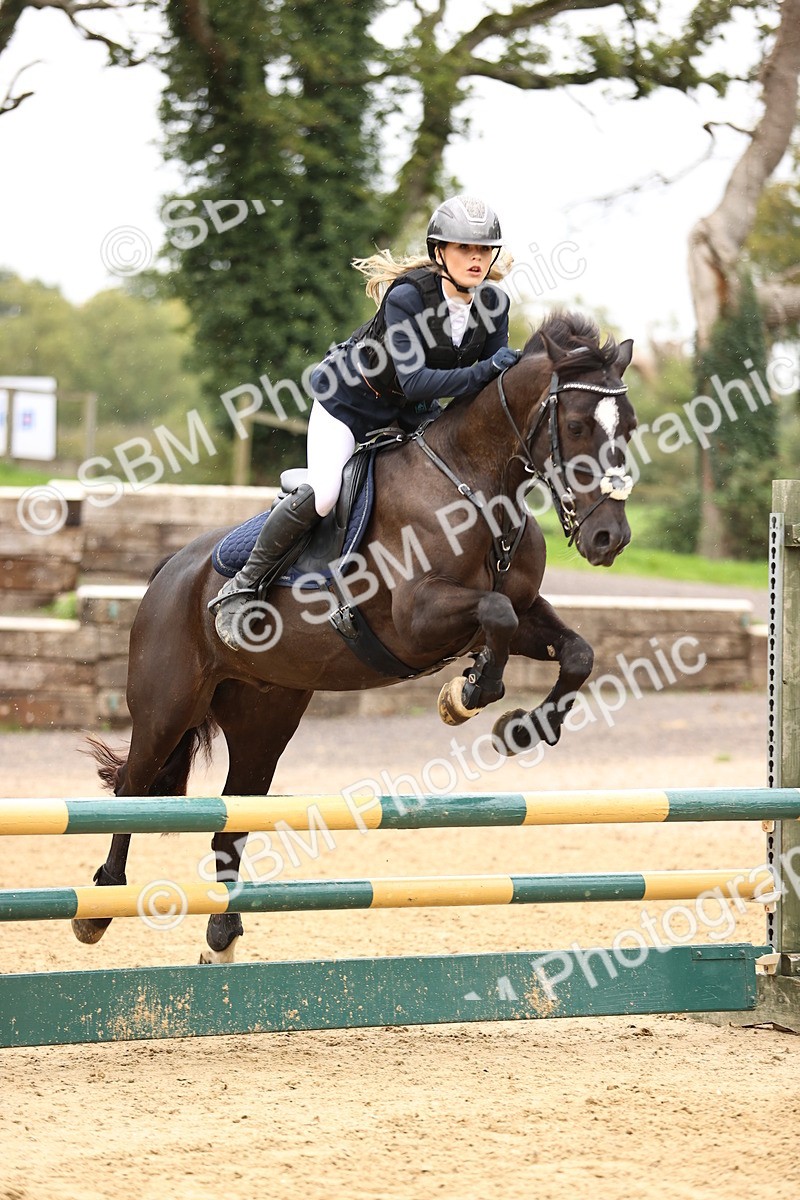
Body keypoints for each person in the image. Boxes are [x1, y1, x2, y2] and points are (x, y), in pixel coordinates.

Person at [210, 194, 520, 650]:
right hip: (349, 404)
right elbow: (417, 380)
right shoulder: (408, 297)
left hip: (409, 413)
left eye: (483, 250)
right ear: (440, 253)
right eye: (464, 249)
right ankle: (242, 586)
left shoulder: (494, 302)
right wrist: (489, 369)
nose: (476, 259)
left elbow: (486, 392)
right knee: (325, 494)